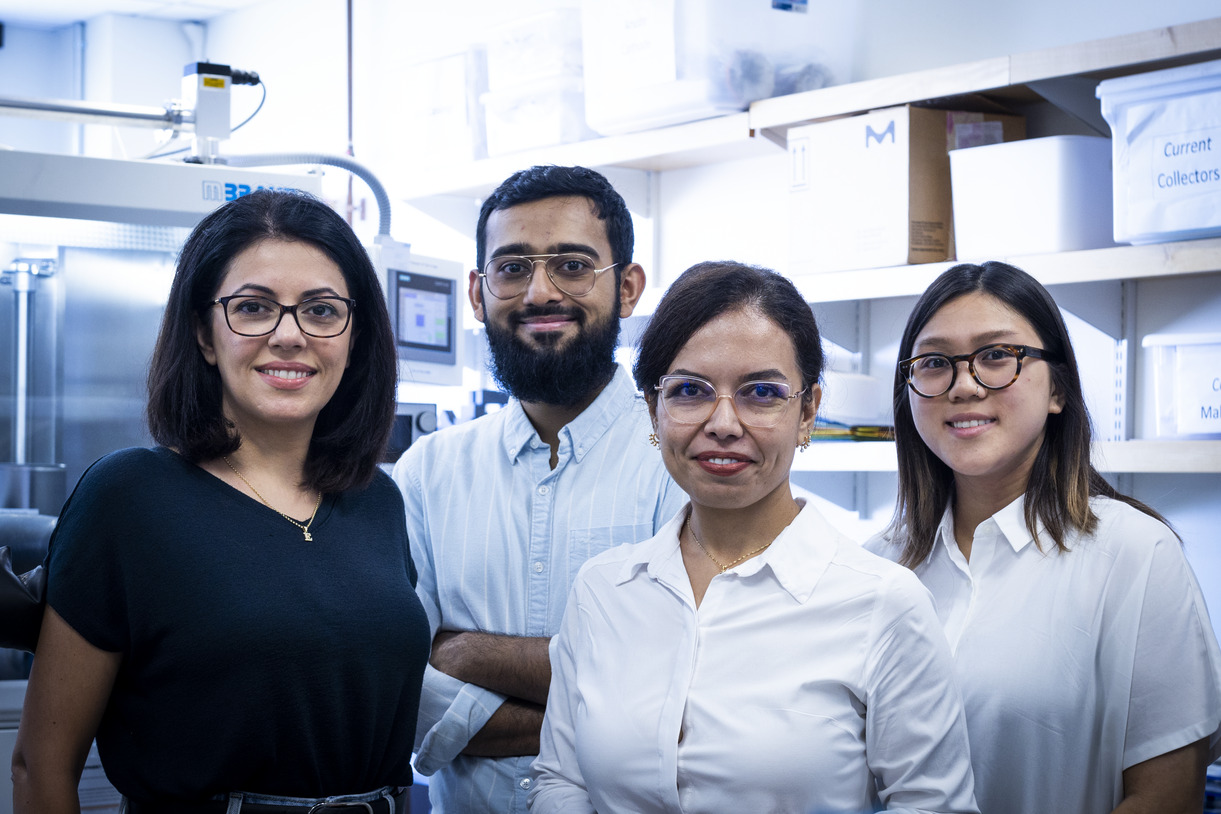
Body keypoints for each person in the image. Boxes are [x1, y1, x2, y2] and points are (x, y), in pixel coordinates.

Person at [12, 189, 430, 814]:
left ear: (354, 336)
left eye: (321, 311)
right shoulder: (129, 499)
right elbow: (40, 767)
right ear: (204, 335)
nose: (290, 336)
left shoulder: (378, 502)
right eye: (254, 308)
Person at [530, 260, 979, 814]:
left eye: (761, 393)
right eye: (690, 390)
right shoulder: (604, 591)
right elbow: (559, 781)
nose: (723, 423)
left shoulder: (883, 605)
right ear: (653, 409)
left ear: (808, 410)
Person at [866, 261, 1221, 814]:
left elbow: (1167, 798)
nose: (963, 385)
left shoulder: (1136, 554)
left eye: (996, 356)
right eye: (935, 362)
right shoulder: (877, 566)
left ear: (1057, 388)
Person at [391, 165, 686, 813]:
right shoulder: (426, 473)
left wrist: (464, 654)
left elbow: (693, 689)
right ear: (477, 291)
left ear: (628, 287)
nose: (540, 291)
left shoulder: (684, 461)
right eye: (512, 267)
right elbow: (396, 695)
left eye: (574, 265)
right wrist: (613, 710)